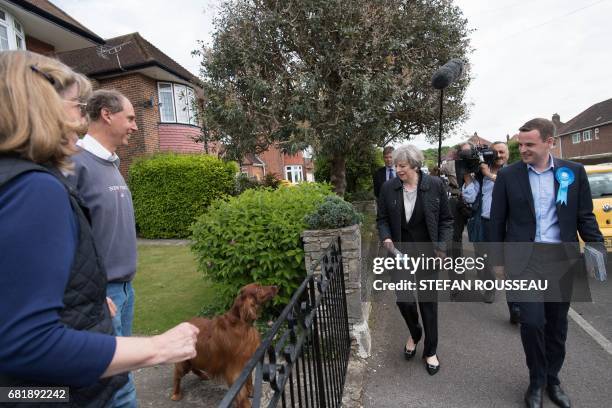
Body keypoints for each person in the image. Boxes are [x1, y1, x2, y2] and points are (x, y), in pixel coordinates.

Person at [0, 50, 198, 407]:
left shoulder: (14, 178)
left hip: (29, 387)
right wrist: (157, 348)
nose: (81, 118)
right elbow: (28, 343)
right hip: (48, 391)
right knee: (117, 389)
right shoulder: (33, 187)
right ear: (41, 106)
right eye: (76, 105)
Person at [490, 118, 605, 408]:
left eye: (530, 144)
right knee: (531, 323)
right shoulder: (509, 176)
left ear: (549, 142)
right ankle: (536, 380)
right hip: (524, 261)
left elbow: (585, 216)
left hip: (562, 261)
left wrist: (595, 251)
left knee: (557, 326)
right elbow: (497, 221)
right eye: (521, 144)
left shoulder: (573, 172)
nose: (523, 149)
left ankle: (553, 379)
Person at [67, 89, 140, 407]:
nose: (135, 126)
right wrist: (94, 291)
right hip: (102, 294)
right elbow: (65, 236)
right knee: (117, 384)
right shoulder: (74, 164)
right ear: (107, 115)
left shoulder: (112, 163)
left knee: (119, 375)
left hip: (124, 290)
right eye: (131, 118)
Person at [377, 144, 453, 376]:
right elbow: (382, 219)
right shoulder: (389, 188)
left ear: (415, 166)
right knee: (405, 301)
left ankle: (430, 351)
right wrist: (387, 237)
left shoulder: (435, 185)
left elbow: (446, 221)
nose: (397, 169)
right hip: (400, 255)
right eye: (396, 165)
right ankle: (415, 332)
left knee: (428, 304)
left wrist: (441, 248)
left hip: (428, 254)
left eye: (402, 166)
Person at [462, 142, 520, 322]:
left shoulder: (515, 172)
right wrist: (467, 176)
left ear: (508, 154)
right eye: (496, 152)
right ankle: (489, 288)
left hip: (510, 225)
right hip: (486, 223)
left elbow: (515, 189)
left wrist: (490, 175)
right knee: (487, 260)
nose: (499, 155)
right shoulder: (480, 173)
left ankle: (516, 307)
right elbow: (470, 197)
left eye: (502, 152)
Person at [440, 142, 473, 298]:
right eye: (464, 152)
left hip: (478, 205)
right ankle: (456, 283)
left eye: (469, 151)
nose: (466, 154)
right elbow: (437, 170)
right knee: (454, 242)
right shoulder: (451, 164)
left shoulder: (479, 164)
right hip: (457, 201)